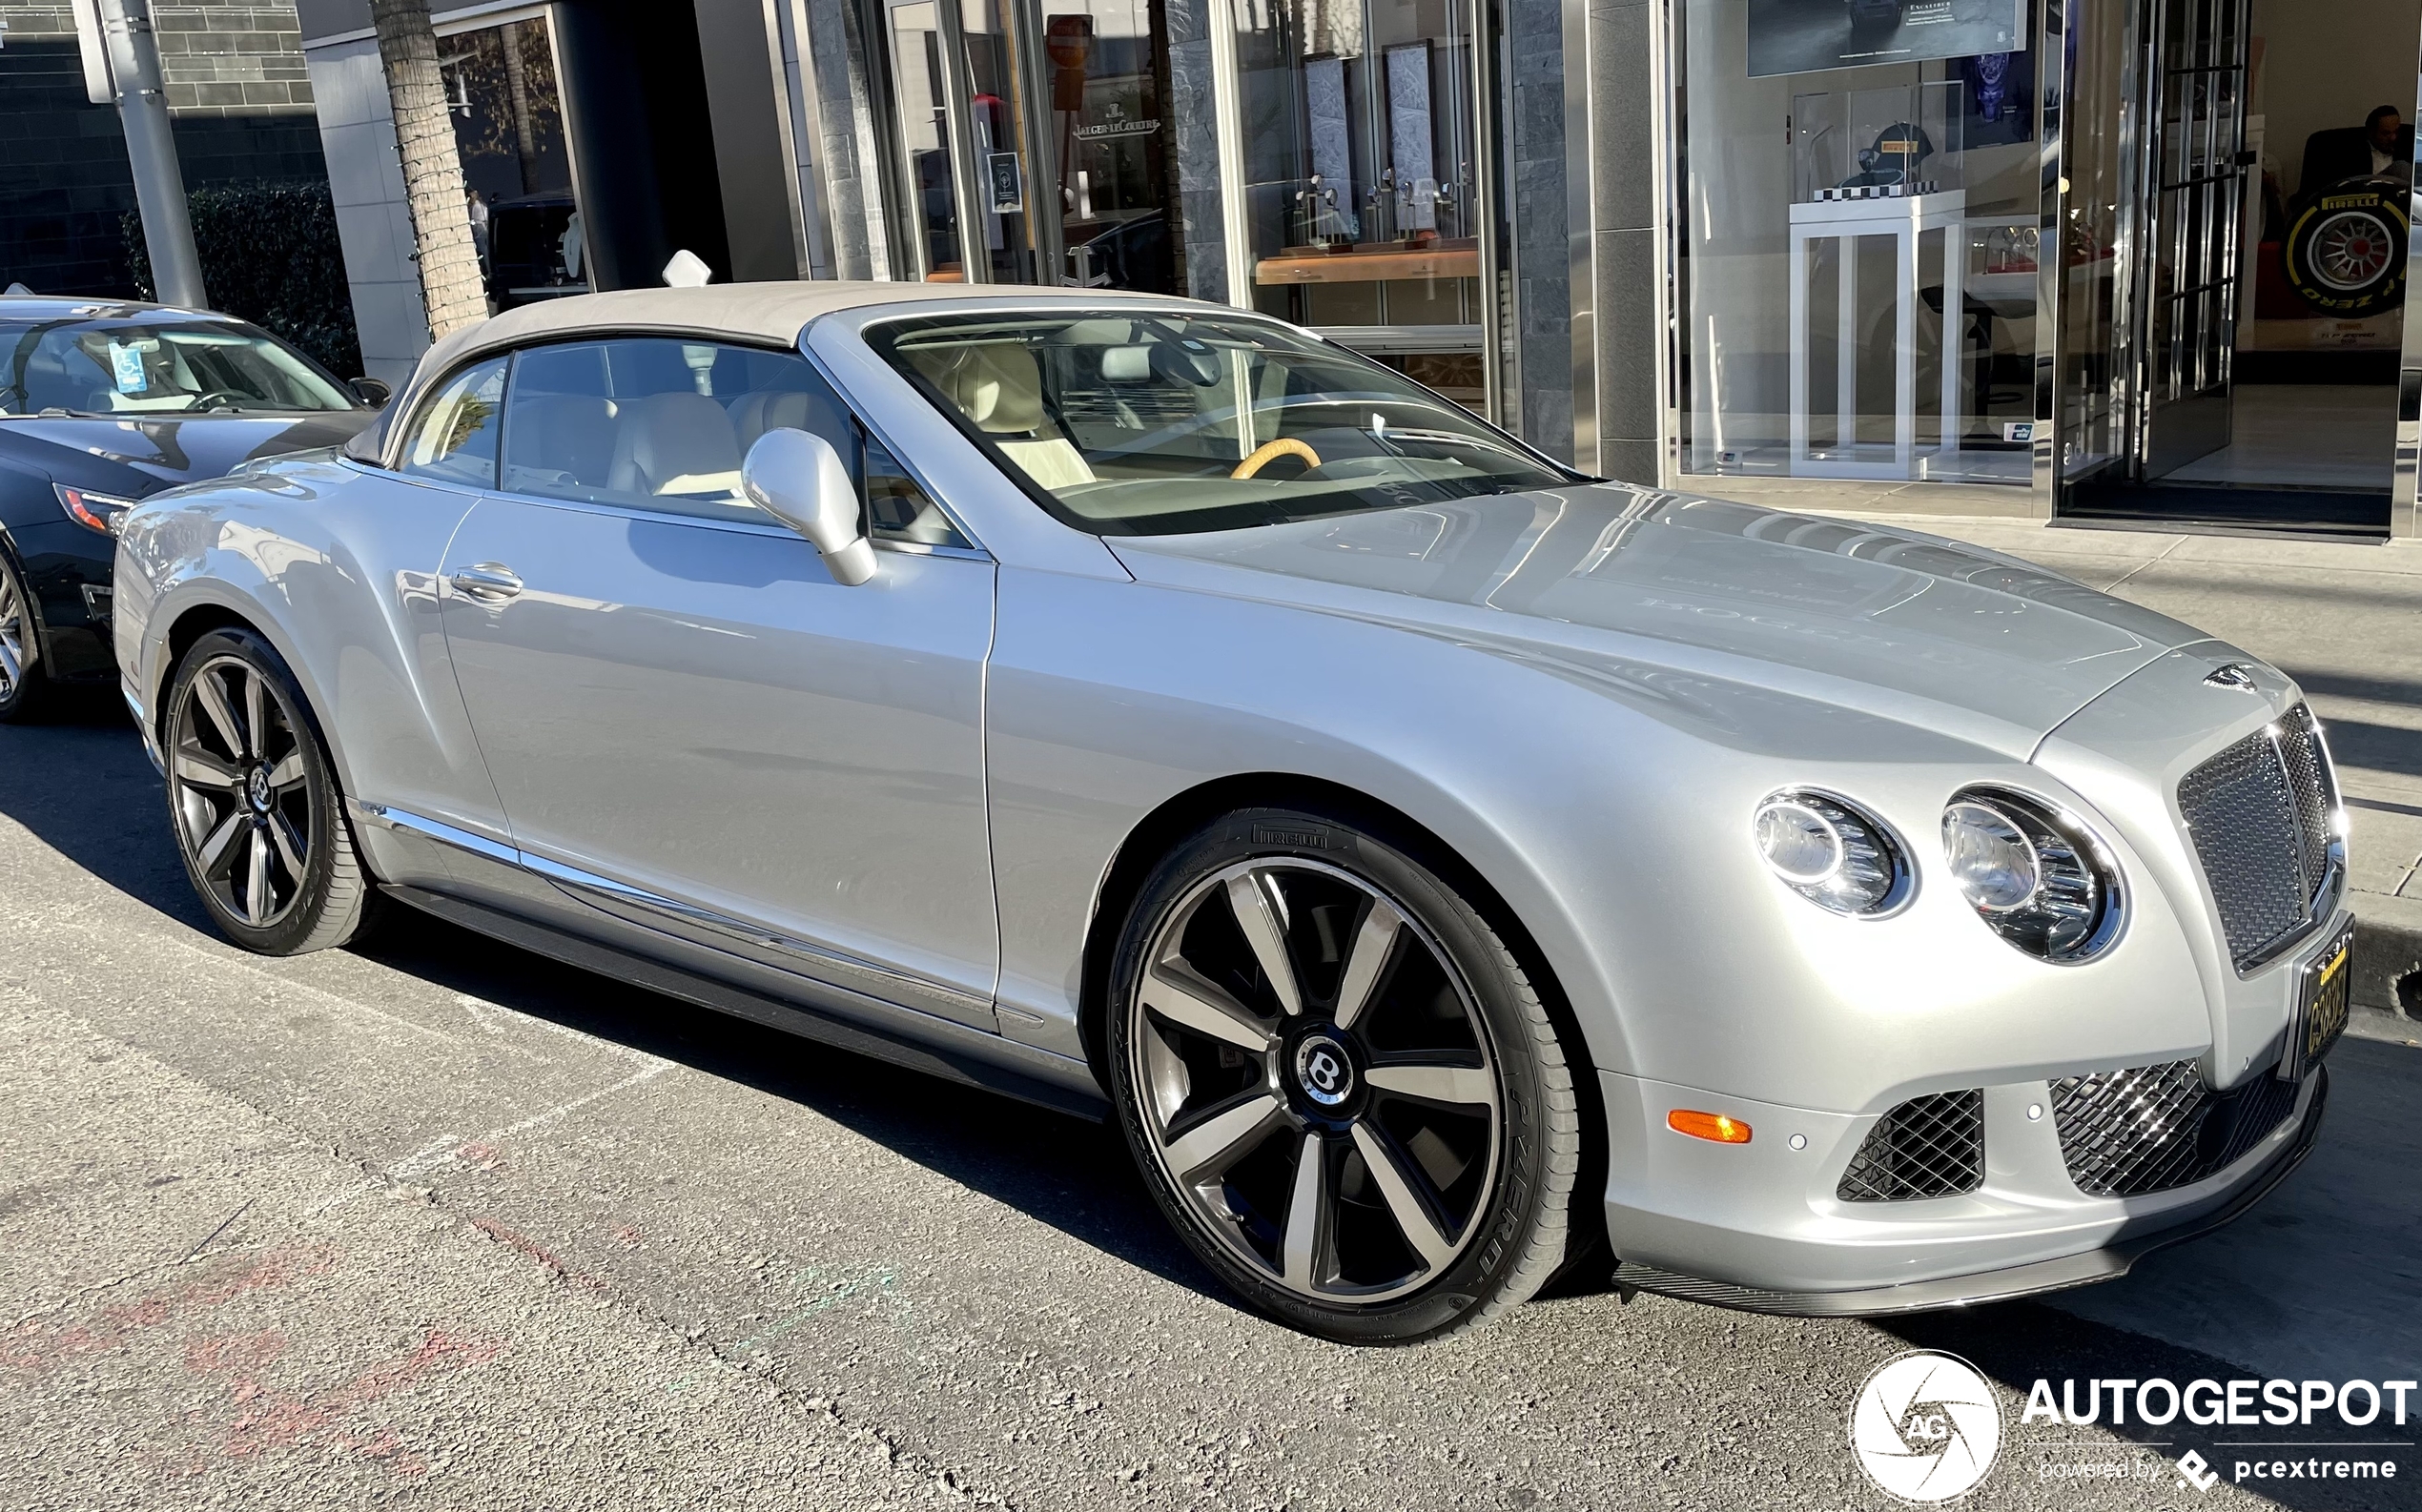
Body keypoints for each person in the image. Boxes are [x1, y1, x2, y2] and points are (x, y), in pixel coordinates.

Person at [2300, 106, 2413, 194]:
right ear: (2371, 133)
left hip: (2400, 203)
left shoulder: (2407, 148)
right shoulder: (2353, 153)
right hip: (2367, 199)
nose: (2393, 138)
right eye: (2386, 133)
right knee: (2401, 168)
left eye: (2396, 132)